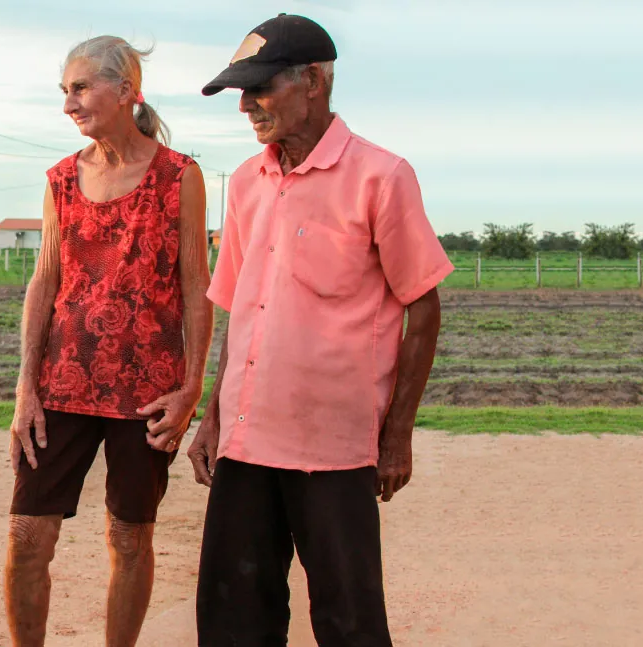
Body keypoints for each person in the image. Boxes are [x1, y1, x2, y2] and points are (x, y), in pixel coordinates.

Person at [189, 14, 454, 646]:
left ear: (313, 80)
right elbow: (242, 311)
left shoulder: (380, 176)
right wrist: (214, 415)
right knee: (233, 620)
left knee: (348, 619)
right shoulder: (248, 182)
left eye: (260, 88)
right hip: (247, 439)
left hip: (333, 446)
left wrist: (397, 434)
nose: (247, 106)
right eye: (242, 92)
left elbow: (423, 309)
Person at [4, 36, 213, 647]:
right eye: (65, 91)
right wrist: (25, 388)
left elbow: (197, 285)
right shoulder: (61, 179)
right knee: (26, 536)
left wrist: (191, 388)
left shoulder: (180, 176)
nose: (69, 103)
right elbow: (45, 280)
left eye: (80, 88)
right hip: (60, 385)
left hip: (148, 391)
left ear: (126, 91)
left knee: (129, 537)